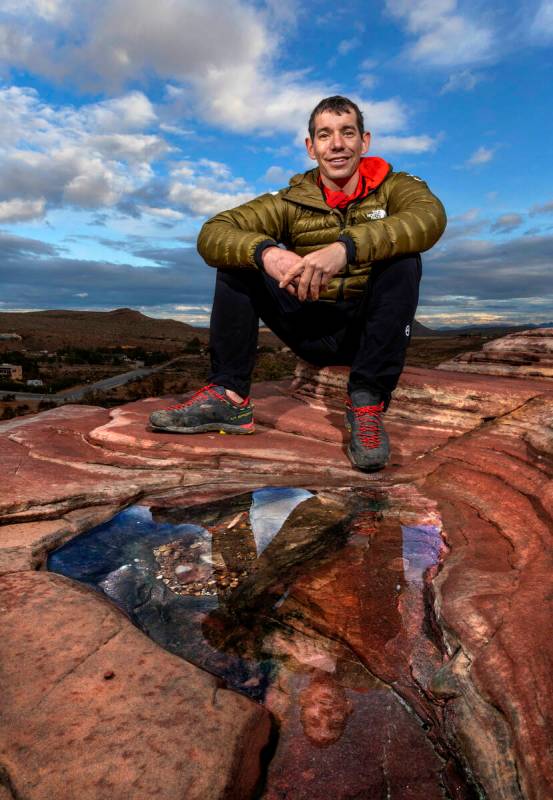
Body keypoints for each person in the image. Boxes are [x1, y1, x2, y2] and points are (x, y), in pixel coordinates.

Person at [150, 95, 446, 470]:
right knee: (239, 260)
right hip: (309, 323)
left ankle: (367, 401)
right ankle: (229, 399)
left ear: (364, 141)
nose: (336, 144)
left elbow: (428, 218)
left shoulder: (396, 186)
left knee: (404, 258)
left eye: (347, 133)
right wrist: (268, 253)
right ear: (311, 147)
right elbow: (213, 232)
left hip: (368, 332)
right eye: (324, 135)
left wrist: (346, 248)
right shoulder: (290, 200)